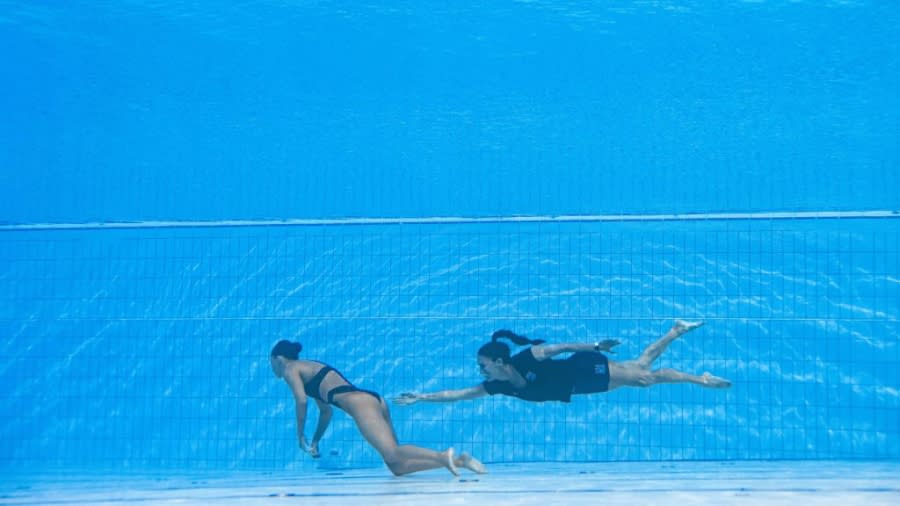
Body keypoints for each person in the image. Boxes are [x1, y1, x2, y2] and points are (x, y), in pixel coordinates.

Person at [270, 340, 486, 476]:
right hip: (371, 399)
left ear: (278, 359)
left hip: (360, 403)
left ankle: (443, 455)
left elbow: (301, 401)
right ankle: (458, 461)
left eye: (271, 362)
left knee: (393, 452)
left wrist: (300, 435)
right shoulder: (309, 368)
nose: (273, 368)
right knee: (397, 465)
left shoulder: (291, 368)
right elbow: (326, 411)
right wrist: (316, 440)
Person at [393, 320, 731, 405]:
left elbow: (561, 346)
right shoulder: (497, 385)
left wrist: (596, 345)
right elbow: (458, 394)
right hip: (577, 387)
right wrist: (422, 397)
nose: (480, 371)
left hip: (581, 368)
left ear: (498, 361)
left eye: (483, 365)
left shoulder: (527, 356)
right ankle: (675, 330)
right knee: (641, 366)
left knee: (644, 377)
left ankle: (699, 379)